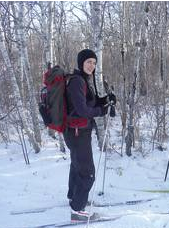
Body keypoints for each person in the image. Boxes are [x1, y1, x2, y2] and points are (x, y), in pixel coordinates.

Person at [63, 49, 115, 221]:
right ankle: (77, 211)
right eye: (88, 62)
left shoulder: (83, 79)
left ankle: (74, 197)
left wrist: (106, 99)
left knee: (77, 165)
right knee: (87, 172)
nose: (92, 65)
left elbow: (88, 101)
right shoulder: (77, 81)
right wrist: (102, 110)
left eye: (94, 62)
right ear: (81, 63)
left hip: (76, 132)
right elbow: (82, 109)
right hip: (77, 132)